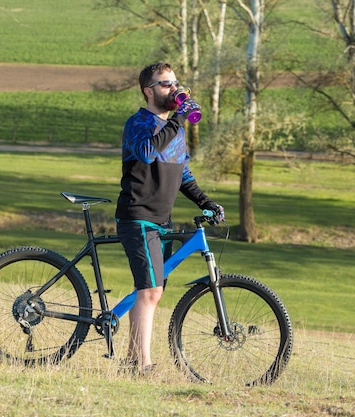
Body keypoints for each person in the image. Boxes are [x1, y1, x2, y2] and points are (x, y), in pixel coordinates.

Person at [115, 62, 224, 373]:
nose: (174, 89)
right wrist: (177, 120)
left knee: (152, 292)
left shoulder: (174, 131)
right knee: (150, 291)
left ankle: (131, 361)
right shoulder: (138, 123)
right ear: (149, 91)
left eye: (175, 83)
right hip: (137, 217)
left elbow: (183, 174)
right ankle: (144, 365)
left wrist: (207, 202)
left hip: (162, 220)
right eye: (165, 84)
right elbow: (148, 152)